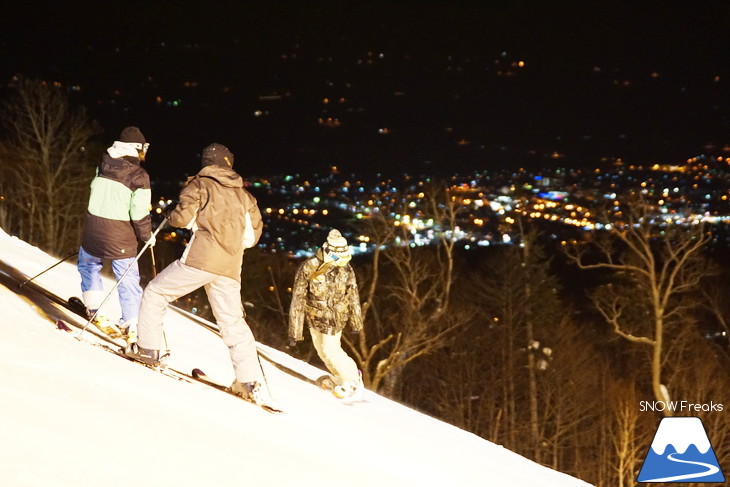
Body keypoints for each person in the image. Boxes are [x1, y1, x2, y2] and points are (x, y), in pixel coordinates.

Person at [127, 143, 265, 403]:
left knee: (156, 292)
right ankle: (247, 380)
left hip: (200, 259)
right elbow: (252, 237)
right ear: (228, 165)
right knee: (232, 322)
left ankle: (147, 349)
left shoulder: (200, 185)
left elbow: (181, 219)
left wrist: (173, 214)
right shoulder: (245, 196)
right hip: (230, 266)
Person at [77, 126, 154, 342]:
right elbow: (138, 214)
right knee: (127, 277)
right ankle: (131, 322)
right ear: (138, 148)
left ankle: (93, 307)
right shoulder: (140, 176)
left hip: (93, 230)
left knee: (88, 264)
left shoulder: (102, 164)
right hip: (120, 235)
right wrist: (148, 236)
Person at [289, 229, 364, 399]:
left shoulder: (346, 269)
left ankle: (352, 380)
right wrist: (295, 330)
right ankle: (339, 377)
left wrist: (356, 321)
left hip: (336, 317)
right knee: (322, 352)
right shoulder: (310, 267)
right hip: (315, 316)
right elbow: (298, 298)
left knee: (331, 350)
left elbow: (353, 294)